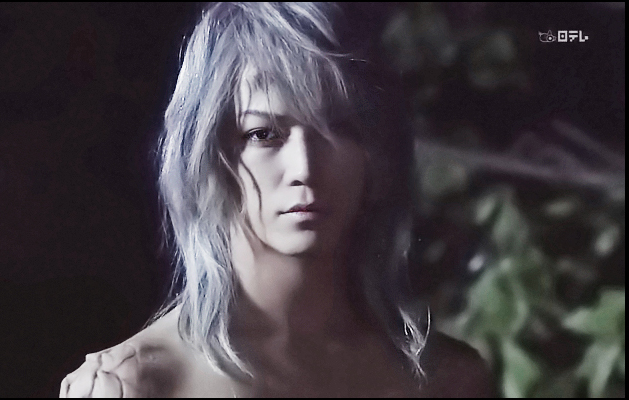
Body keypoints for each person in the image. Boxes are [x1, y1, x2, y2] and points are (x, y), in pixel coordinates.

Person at [60, 2, 496, 397]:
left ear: (374, 154)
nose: (304, 168)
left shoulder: (447, 379)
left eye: (337, 128)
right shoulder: (136, 386)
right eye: (263, 134)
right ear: (206, 154)